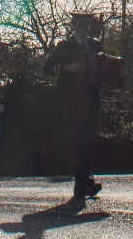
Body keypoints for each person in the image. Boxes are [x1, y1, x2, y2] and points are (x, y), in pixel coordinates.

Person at [43, 11, 105, 201]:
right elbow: (46, 68)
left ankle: (86, 181)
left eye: (86, 26)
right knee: (79, 139)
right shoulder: (65, 46)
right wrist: (65, 68)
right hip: (71, 98)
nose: (83, 29)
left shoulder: (95, 45)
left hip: (92, 97)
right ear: (73, 26)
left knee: (90, 139)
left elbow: (102, 69)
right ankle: (82, 184)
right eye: (79, 25)